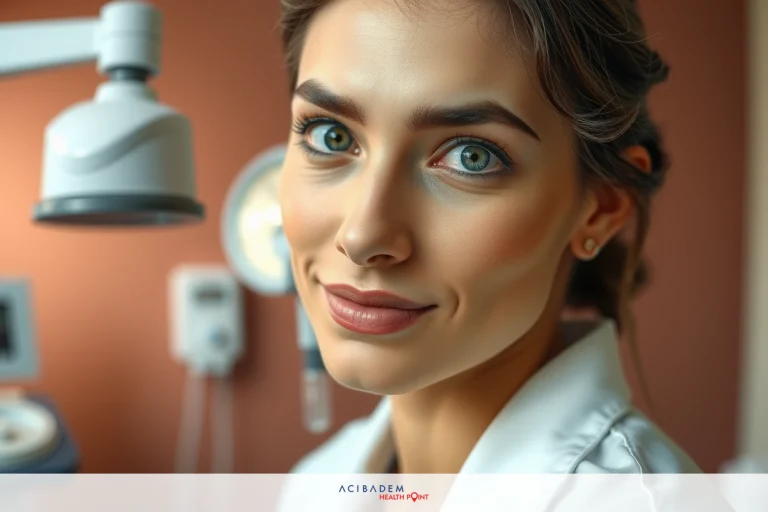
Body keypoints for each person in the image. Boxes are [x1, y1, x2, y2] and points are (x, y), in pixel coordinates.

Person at [277, 0, 700, 474]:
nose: (361, 236)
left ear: (599, 211)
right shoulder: (314, 482)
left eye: (471, 157)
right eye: (330, 135)